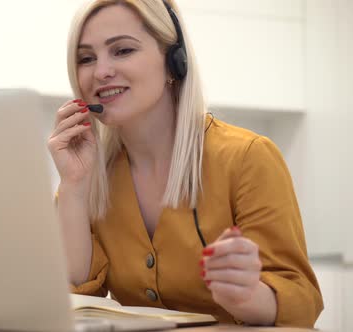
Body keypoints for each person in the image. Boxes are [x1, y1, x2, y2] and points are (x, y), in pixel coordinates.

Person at [47, 0, 323, 327]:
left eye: (122, 50)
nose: (101, 71)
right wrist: (74, 188)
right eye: (86, 58)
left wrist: (248, 296)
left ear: (173, 62)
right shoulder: (91, 176)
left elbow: (302, 302)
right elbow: (78, 303)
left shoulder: (247, 157)